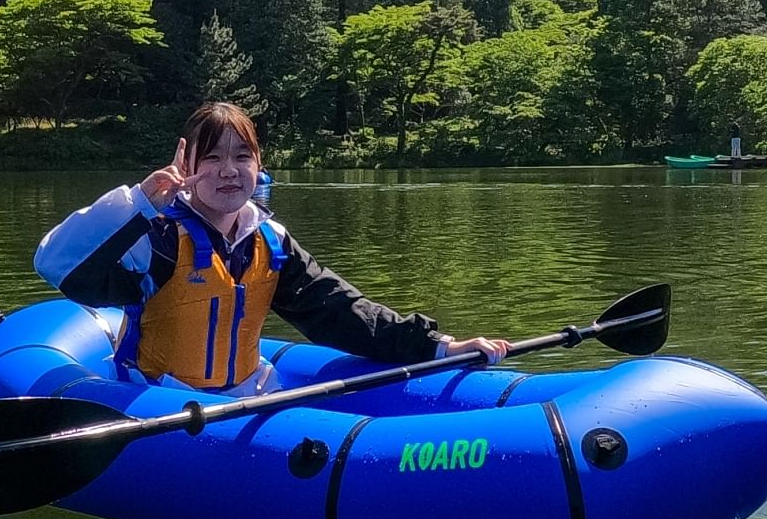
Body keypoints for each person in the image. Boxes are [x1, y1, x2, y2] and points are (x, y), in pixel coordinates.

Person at [34, 101, 511, 395]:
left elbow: (342, 312)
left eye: (242, 157)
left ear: (258, 166)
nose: (228, 170)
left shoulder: (270, 241)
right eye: (213, 158)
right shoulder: (156, 239)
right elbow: (57, 265)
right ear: (188, 165)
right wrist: (140, 202)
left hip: (247, 391)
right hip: (162, 399)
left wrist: (436, 346)